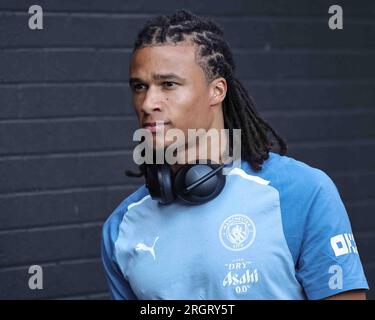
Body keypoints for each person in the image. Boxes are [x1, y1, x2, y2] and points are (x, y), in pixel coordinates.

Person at [101, 10, 369, 300]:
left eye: (168, 84)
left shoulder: (304, 193)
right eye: (140, 87)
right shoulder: (121, 228)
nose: (148, 102)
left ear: (216, 91)